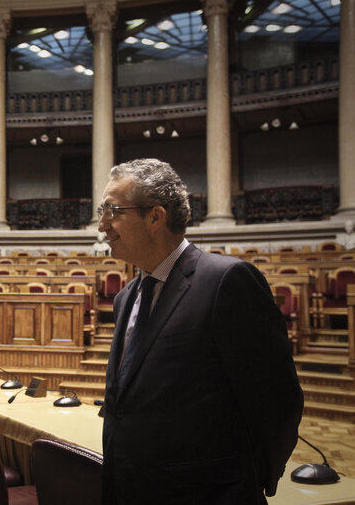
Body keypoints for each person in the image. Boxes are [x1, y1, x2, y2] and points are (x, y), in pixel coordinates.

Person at [98, 158, 303, 504]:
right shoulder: (125, 298)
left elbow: (277, 400)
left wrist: (247, 481)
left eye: (113, 211)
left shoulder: (227, 281)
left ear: (155, 217)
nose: (102, 225)